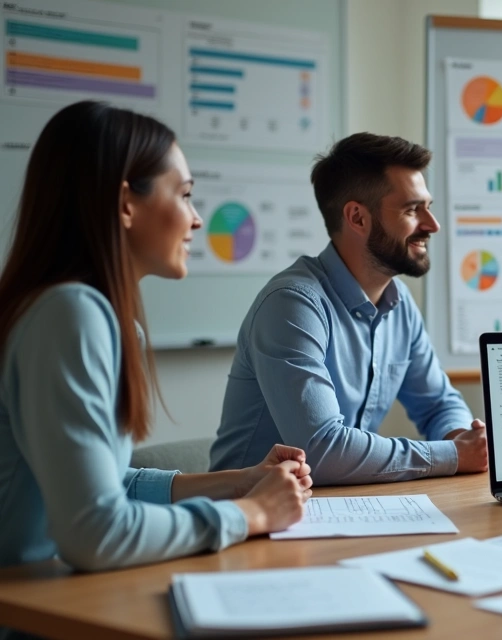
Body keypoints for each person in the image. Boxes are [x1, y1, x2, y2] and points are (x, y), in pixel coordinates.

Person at [0, 101, 312, 573]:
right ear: (126, 203)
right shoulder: (69, 315)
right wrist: (252, 513)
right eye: (184, 194)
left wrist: (238, 482)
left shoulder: (92, 316)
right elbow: (95, 532)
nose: (197, 219)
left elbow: (103, 487)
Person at [209, 133, 488, 485]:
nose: (432, 225)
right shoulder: (292, 304)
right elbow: (322, 450)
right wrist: (453, 455)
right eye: (412, 210)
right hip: (248, 518)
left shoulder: (399, 304)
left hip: (337, 508)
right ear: (357, 217)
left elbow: (437, 404)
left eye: (428, 207)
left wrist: (461, 436)